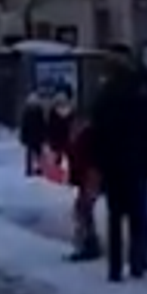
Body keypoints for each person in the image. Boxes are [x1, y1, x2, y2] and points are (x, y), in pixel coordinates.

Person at [87, 44, 147, 282]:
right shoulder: (144, 86)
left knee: (116, 215)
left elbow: (97, 129)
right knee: (138, 214)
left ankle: (116, 266)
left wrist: (98, 161)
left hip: (115, 162)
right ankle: (138, 262)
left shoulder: (108, 90)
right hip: (137, 161)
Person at [64, 110, 102, 261]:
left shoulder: (87, 136)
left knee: (82, 209)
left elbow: (86, 158)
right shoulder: (82, 136)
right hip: (86, 177)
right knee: (83, 210)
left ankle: (88, 245)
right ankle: (89, 243)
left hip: (90, 176)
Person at [17, 92, 49, 176]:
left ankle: (33, 169)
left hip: (34, 136)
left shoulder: (31, 112)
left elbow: (25, 125)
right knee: (35, 153)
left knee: (33, 154)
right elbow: (42, 124)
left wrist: (23, 136)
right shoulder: (37, 111)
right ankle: (36, 168)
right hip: (35, 136)